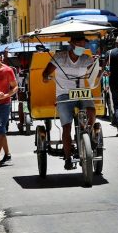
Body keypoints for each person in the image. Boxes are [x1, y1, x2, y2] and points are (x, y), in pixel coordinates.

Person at [42, 33, 98, 170]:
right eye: (79, 44)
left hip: (82, 92)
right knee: (66, 127)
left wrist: (100, 68)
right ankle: (67, 158)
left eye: (84, 45)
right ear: (72, 44)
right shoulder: (59, 58)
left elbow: (94, 70)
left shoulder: (86, 59)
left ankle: (88, 133)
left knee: (92, 110)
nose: (82, 47)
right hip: (64, 94)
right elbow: (45, 73)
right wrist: (45, 78)